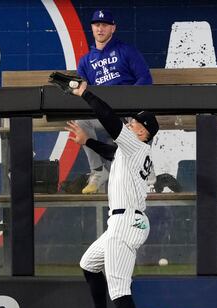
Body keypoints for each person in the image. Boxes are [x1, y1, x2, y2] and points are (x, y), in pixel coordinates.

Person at [66, 80, 158, 308]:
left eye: (134, 123)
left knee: (120, 288)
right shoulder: (133, 153)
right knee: (89, 264)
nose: (129, 124)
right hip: (124, 221)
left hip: (125, 222)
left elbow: (108, 118)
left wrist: (85, 94)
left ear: (143, 131)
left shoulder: (136, 144)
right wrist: (87, 142)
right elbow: (110, 152)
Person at [76, 9, 152, 194]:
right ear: (92, 28)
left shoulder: (126, 51)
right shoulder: (85, 61)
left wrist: (129, 104)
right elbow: (82, 93)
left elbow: (145, 79)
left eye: (104, 25)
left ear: (113, 28)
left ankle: (146, 172)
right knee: (81, 121)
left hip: (127, 114)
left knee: (142, 122)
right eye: (96, 25)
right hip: (104, 115)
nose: (100, 29)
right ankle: (98, 171)